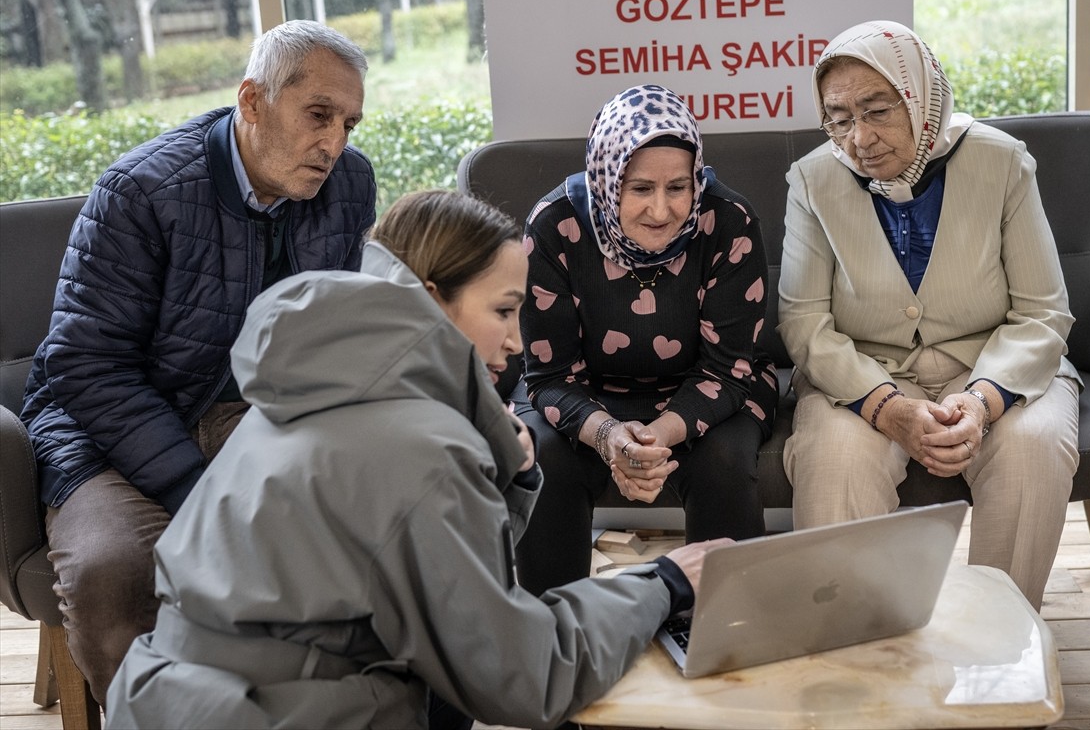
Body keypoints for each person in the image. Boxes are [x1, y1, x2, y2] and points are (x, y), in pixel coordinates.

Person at [104, 190, 728, 729]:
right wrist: (663, 582)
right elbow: (525, 676)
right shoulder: (421, 444)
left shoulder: (315, 384)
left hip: (174, 699)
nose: (517, 341)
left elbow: (443, 587)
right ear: (432, 300)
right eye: (505, 310)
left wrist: (510, 474)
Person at [20, 19, 376, 707]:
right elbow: (84, 364)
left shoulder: (347, 183)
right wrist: (192, 485)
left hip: (253, 414)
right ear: (252, 101)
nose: (334, 144)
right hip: (105, 429)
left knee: (362, 529)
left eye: (349, 124)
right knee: (112, 572)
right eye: (319, 115)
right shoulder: (141, 191)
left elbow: (336, 329)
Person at [777, 20, 1081, 609]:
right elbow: (804, 321)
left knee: (1031, 449)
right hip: (865, 375)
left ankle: (1000, 647)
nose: (859, 138)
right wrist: (887, 408)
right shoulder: (813, 180)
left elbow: (1044, 314)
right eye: (839, 119)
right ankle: (857, 656)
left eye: (876, 110)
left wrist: (985, 399)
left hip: (992, 367)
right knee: (835, 458)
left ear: (919, 96)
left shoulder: (1002, 163)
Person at [514, 84, 778, 595]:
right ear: (608, 180)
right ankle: (553, 636)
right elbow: (548, 375)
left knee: (724, 461)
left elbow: (727, 369)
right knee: (543, 458)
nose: (662, 210)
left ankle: (727, 630)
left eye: (679, 187)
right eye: (640, 189)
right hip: (583, 395)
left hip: (708, 391)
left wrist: (653, 439)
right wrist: (611, 436)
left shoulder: (729, 221)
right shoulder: (554, 225)